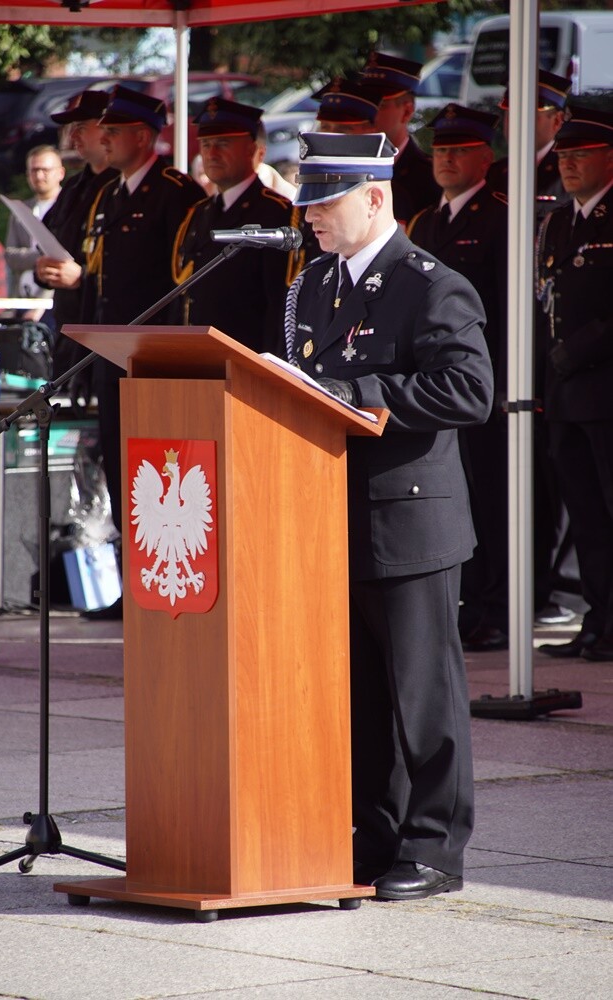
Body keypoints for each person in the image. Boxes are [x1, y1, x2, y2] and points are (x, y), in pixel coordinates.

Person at [285, 131, 493, 899]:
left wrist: (362, 395)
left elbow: (468, 393)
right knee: (363, 700)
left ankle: (435, 848)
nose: (309, 215)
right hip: (329, 516)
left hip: (409, 521)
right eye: (305, 202)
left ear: (374, 197)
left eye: (324, 200)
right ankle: (374, 838)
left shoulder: (430, 284)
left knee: (422, 696)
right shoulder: (316, 284)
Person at [76, 85, 202, 621]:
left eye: (115, 130)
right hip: (112, 358)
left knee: (161, 473)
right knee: (124, 471)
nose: (103, 136)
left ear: (145, 137)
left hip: (155, 360)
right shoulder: (109, 194)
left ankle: (167, 580)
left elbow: (185, 286)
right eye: (103, 129)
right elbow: (101, 280)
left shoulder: (177, 193)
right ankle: (135, 584)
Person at [408, 104, 509, 652]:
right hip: (432, 389)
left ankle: (496, 604)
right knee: (456, 493)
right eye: (439, 150)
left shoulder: (501, 216)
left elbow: (510, 310)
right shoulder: (425, 223)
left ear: (486, 158)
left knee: (493, 498)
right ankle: (470, 601)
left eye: (458, 150)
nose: (444, 158)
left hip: (480, 387)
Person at [488, 70, 574, 627]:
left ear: (555, 117)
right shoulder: (497, 173)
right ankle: (518, 587)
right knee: (516, 479)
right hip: (507, 346)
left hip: (555, 347)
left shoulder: (565, 168)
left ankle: (543, 587)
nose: (513, 121)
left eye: (529, 110)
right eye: (507, 110)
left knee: (552, 478)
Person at [536, 106, 613, 662]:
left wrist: (577, 351)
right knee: (584, 516)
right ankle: (597, 618)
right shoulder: (558, 221)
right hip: (564, 396)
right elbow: (545, 308)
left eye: (579, 155)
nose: (568, 166)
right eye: (563, 156)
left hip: (606, 391)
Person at [172, 97, 302, 356]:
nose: (211, 153)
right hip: (197, 359)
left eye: (223, 143)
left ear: (253, 150)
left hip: (245, 362)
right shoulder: (200, 212)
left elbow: (278, 304)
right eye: (206, 144)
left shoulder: (276, 212)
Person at [34, 89, 118, 382]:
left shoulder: (123, 186)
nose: (73, 137)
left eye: (82, 127)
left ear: (107, 127)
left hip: (108, 337)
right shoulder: (73, 187)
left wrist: (82, 277)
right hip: (69, 330)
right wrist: (42, 268)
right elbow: (45, 235)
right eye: (72, 128)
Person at [313, 77, 413, 228]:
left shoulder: (388, 191)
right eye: (325, 127)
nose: (332, 137)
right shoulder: (312, 185)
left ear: (370, 131)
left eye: (343, 129)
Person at [360, 53, 441, 217]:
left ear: (407, 111)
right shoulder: (349, 170)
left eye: (380, 105)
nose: (368, 114)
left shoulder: (430, 179)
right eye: (365, 104)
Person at [487, 70, 572, 223]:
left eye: (528, 115)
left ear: (557, 121)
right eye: (511, 114)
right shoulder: (492, 175)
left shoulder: (569, 173)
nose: (517, 123)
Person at [4, 144, 65, 322]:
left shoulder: (68, 208)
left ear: (60, 173)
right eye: (34, 170)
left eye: (45, 170)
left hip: (54, 303)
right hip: (22, 300)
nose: (39, 176)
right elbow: (10, 256)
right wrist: (41, 257)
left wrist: (40, 305)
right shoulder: (20, 210)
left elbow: (62, 260)